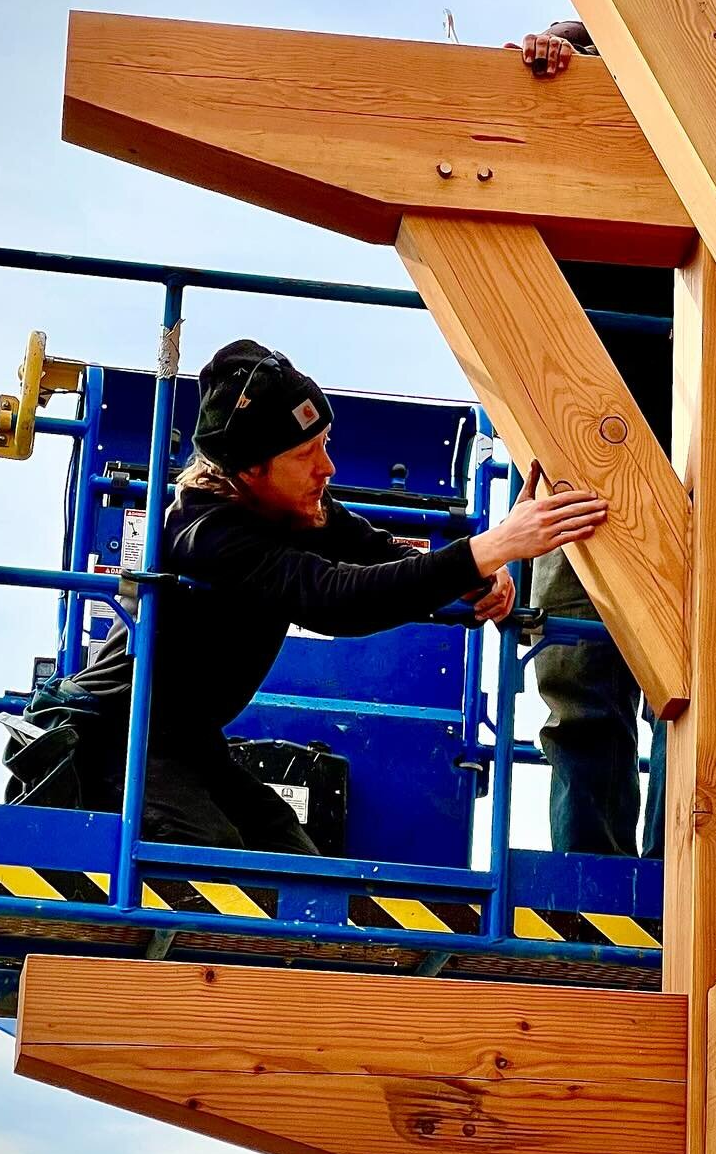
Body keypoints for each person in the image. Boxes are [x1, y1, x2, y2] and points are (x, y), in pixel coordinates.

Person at [68, 339, 607, 854]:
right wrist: (488, 548)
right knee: (217, 869)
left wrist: (477, 576)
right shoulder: (206, 533)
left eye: (324, 444)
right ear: (252, 468)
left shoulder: (296, 510)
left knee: (293, 865)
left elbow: (378, 556)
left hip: (185, 745)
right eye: (307, 453)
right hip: (111, 742)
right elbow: (334, 598)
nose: (327, 467)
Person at [506, 23, 673, 860]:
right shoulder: (575, 107)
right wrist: (557, 55)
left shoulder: (695, 111)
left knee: (702, 678)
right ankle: (597, 892)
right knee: (579, 681)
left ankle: (683, 882)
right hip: (579, 455)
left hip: (697, 450)